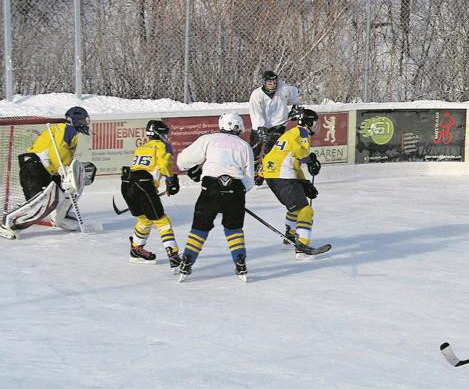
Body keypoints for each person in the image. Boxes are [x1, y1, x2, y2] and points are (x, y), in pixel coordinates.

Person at [175, 113, 255, 282]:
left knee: (200, 226)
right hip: (236, 187)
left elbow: (182, 161)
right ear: (238, 127)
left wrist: (193, 170)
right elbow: (250, 179)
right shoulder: (244, 146)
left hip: (211, 187)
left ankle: (187, 261)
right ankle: (240, 263)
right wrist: (237, 192)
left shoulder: (209, 139)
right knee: (233, 228)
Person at [0, 106, 96, 239]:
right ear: (74, 120)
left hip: (43, 169)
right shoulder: (66, 129)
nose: (85, 123)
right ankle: (8, 222)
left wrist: (67, 172)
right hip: (33, 165)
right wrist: (63, 171)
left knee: (57, 195)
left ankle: (60, 216)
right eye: (82, 120)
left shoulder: (72, 135)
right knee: (41, 203)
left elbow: (64, 158)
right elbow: (55, 154)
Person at [260, 107, 323, 259]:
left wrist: (303, 182)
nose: (315, 127)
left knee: (295, 207)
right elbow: (299, 153)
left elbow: (293, 162)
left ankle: (290, 236)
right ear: (307, 122)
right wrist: (310, 159)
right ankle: (302, 247)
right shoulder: (302, 132)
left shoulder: (291, 133)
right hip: (282, 175)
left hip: (273, 175)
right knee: (306, 211)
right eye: (313, 123)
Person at [121, 120, 182, 268]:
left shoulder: (141, 147)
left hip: (127, 184)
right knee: (162, 220)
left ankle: (136, 249)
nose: (166, 136)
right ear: (158, 133)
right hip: (143, 185)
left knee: (145, 219)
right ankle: (173, 255)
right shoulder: (163, 146)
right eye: (164, 133)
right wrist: (170, 180)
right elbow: (164, 164)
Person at [248, 70, 301, 176]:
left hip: (279, 124)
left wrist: (296, 106)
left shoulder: (284, 89)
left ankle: (264, 171)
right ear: (264, 82)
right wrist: (260, 127)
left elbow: (294, 92)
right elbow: (255, 112)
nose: (273, 85)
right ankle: (254, 171)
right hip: (260, 126)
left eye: (275, 82)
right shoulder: (257, 94)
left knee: (270, 149)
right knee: (255, 150)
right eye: (269, 83)